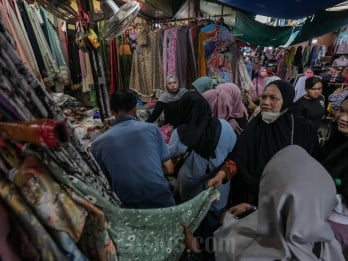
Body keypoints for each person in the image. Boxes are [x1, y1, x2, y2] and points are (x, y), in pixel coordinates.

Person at [214, 145, 345, 261]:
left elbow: (222, 244)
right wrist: (253, 210)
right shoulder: (330, 246)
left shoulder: (245, 248)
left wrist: (229, 221)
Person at [209, 80, 319, 205]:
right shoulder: (255, 126)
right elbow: (239, 157)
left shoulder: (301, 129)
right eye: (263, 97)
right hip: (248, 197)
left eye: (273, 98)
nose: (266, 102)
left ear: (286, 100)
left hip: (281, 199)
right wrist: (222, 175)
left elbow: (309, 166)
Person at [168, 91, 237, 252]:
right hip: (219, 186)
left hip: (191, 187)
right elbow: (233, 150)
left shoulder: (180, 133)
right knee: (216, 220)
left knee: (194, 220)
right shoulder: (225, 126)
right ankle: (214, 250)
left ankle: (196, 250)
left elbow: (170, 154)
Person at [91, 90, 175, 209]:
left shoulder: (97, 145)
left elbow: (105, 180)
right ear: (135, 109)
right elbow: (169, 168)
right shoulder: (152, 129)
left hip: (129, 210)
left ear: (112, 111)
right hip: (161, 201)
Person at [319, 91, 348, 249]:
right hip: (320, 216)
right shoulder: (336, 141)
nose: (343, 118)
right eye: (342, 111)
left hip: (338, 225)